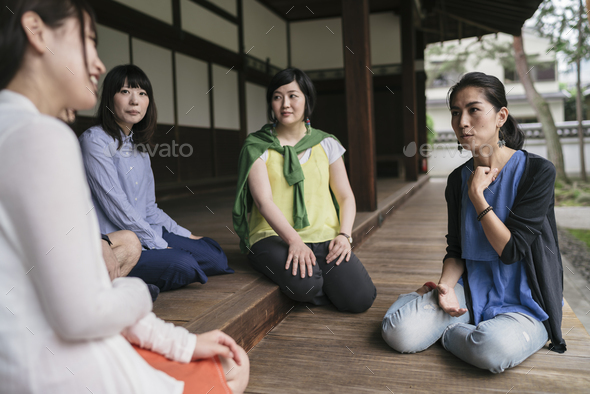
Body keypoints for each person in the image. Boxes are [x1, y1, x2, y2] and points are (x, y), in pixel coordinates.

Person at [0, 1, 249, 393]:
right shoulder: (47, 137)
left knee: (208, 253)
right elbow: (83, 311)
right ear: (36, 30)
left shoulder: (24, 128)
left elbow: (147, 210)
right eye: (89, 42)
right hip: (51, 369)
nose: (98, 65)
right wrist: (131, 287)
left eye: (141, 92)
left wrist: (175, 237)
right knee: (230, 370)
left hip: (46, 350)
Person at [381, 72, 566, 373]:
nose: (462, 121)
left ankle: (449, 334)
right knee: (398, 333)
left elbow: (512, 250)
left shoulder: (537, 172)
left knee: (493, 350)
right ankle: (428, 299)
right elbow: (456, 248)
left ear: (500, 116)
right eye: (456, 112)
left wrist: (478, 197)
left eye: (473, 109)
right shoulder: (457, 180)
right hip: (473, 290)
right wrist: (445, 287)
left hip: (525, 301)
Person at [79, 64, 234, 293]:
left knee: (216, 257)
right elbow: (118, 209)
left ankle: (145, 276)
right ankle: (130, 280)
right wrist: (160, 245)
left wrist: (185, 234)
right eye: (125, 92)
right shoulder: (95, 142)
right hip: (119, 243)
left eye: (142, 94)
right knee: (183, 264)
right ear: (109, 99)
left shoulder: (139, 148)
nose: (135, 100)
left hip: (149, 232)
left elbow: (149, 208)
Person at [233, 68, 376, 313]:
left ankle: (322, 277)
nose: (285, 104)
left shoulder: (326, 143)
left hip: (324, 236)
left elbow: (345, 196)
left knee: (360, 298)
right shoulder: (256, 145)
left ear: (307, 99)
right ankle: (269, 262)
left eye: (293, 96)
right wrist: (294, 241)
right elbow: (264, 201)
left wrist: (344, 235)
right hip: (274, 237)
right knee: (307, 286)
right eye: (277, 97)